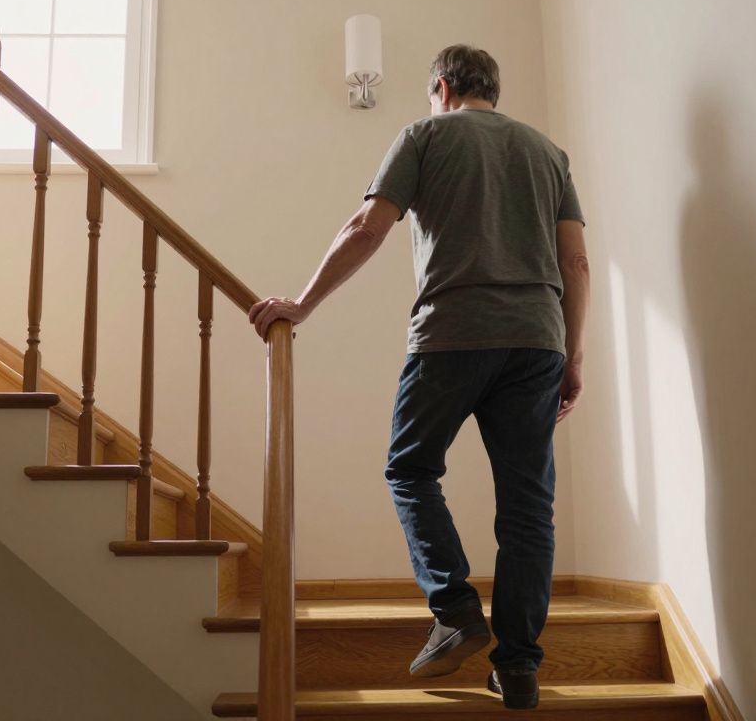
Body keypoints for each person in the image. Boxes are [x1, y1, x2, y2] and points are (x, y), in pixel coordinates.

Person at [248, 43, 589, 710]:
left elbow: (368, 227)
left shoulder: (424, 134)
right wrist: (572, 358)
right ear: (493, 89)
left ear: (440, 86)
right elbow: (574, 262)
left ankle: (456, 608)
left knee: (410, 468)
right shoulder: (549, 153)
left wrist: (303, 304)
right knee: (528, 507)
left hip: (451, 335)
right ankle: (517, 666)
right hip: (537, 343)